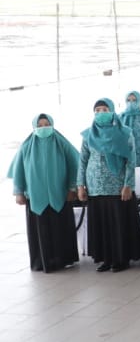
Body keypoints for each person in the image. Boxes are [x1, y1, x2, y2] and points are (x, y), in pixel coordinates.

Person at [78, 99, 140, 273]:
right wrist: (80, 185)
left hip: (118, 186)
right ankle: (106, 258)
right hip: (95, 187)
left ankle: (121, 259)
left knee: (118, 223)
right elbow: (83, 160)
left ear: (113, 111)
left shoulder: (125, 133)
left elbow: (131, 160)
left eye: (105, 109)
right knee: (101, 224)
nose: (101, 113)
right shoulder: (88, 134)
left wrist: (128, 185)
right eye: (97, 110)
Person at [9, 114, 80, 272]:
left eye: (46, 124)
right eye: (39, 125)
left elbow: (75, 165)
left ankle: (64, 259)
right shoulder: (26, 146)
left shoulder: (61, 143)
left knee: (60, 227)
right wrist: (19, 192)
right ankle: (41, 261)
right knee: (40, 230)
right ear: (34, 127)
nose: (43, 128)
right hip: (35, 197)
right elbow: (18, 170)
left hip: (60, 195)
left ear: (52, 125)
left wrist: (72, 188)